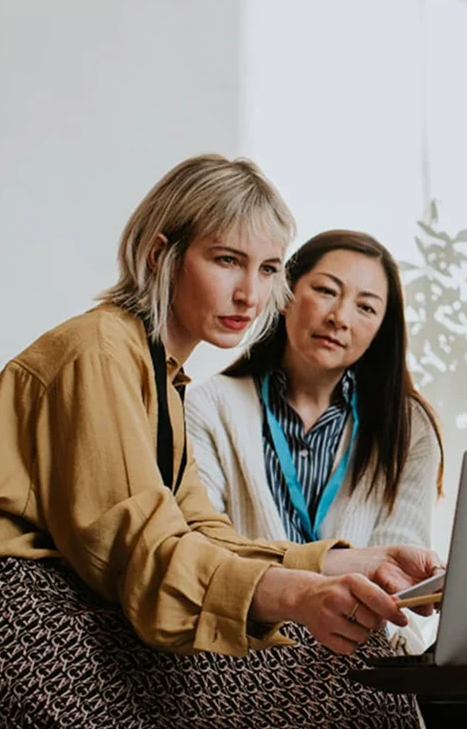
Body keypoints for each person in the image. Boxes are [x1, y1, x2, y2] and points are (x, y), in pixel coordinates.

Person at [0, 154, 442, 729]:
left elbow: (200, 531)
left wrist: (343, 562)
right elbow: (145, 552)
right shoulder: (100, 353)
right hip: (23, 641)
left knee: (354, 673)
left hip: (70, 622)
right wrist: (300, 597)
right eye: (227, 261)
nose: (251, 294)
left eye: (269, 269)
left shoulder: (160, 373)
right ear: (163, 254)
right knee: (350, 689)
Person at [184, 230, 445, 657]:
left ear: (381, 327)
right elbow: (205, 552)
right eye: (326, 291)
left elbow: (399, 582)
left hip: (362, 651)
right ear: (285, 293)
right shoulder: (209, 406)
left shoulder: (408, 426)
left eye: (365, 307)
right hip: (242, 649)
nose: (339, 317)